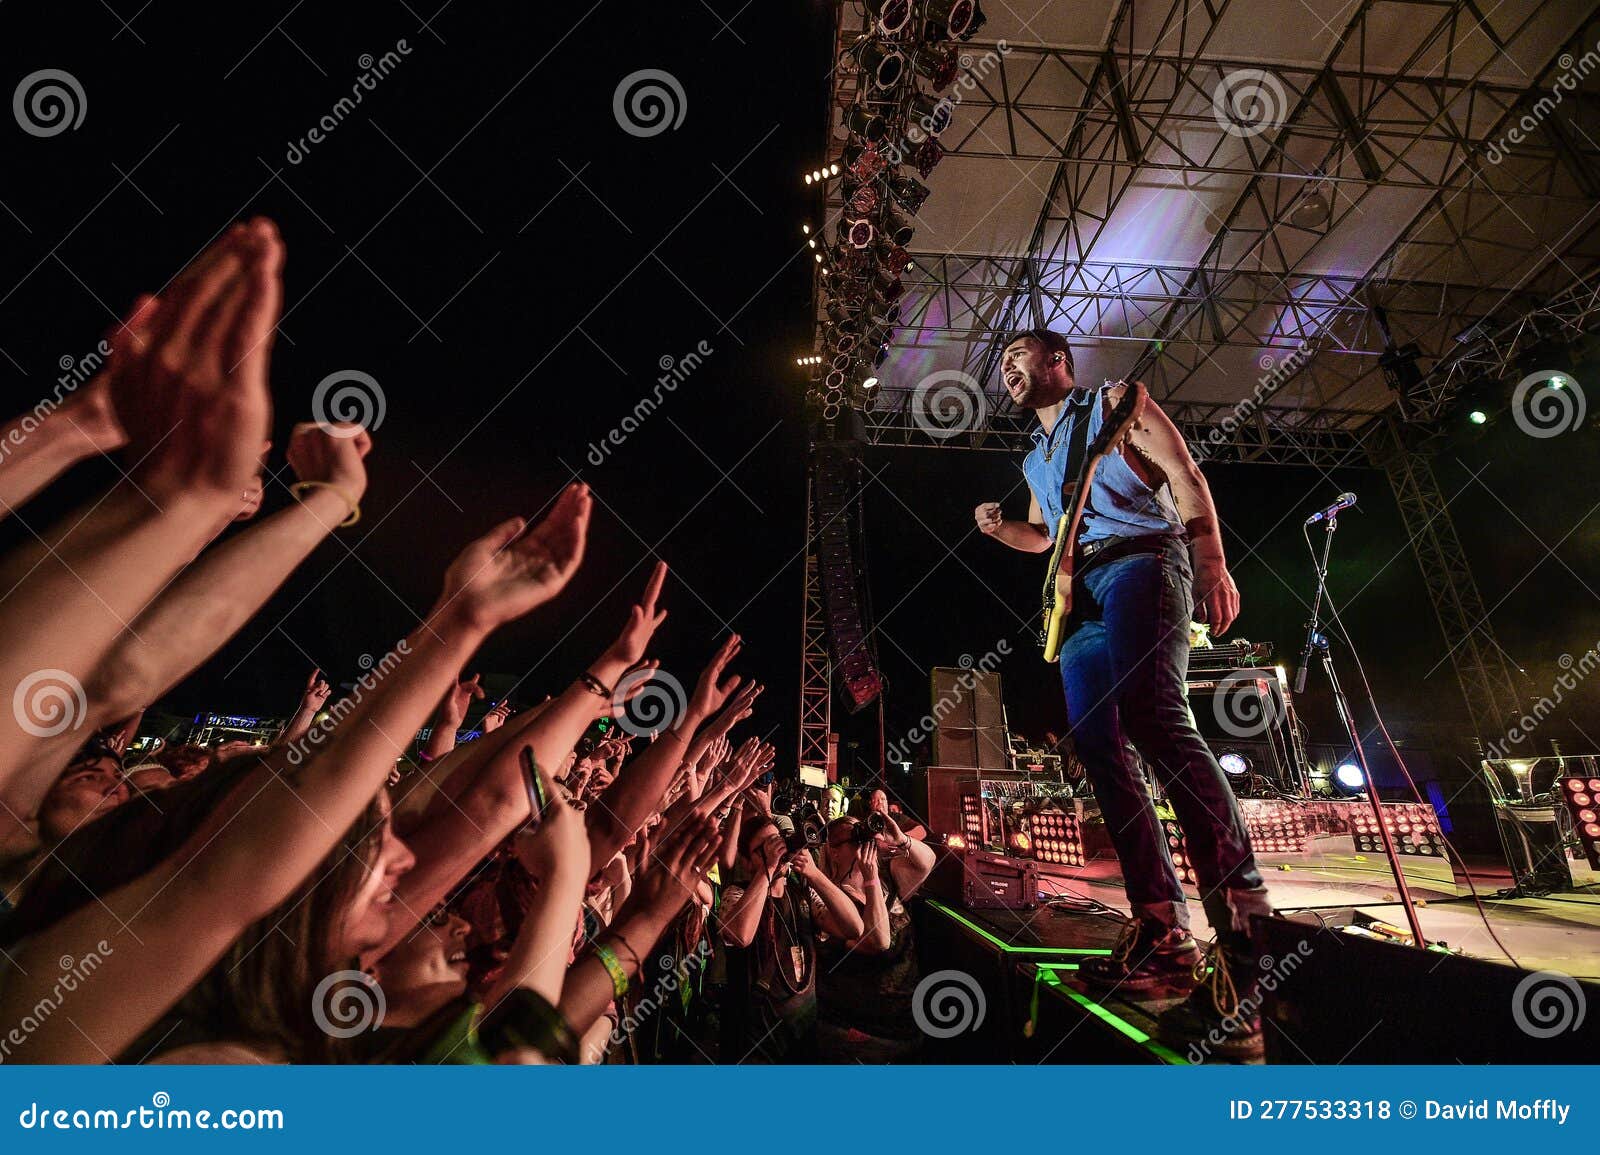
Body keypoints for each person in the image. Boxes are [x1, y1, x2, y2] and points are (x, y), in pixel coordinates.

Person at [974, 327, 1270, 1059]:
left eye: (1020, 356)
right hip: (1080, 600)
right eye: (1002, 364)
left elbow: (1183, 471)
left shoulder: (1113, 402)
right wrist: (999, 528)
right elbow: (1047, 536)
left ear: (1059, 362)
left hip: (1144, 561)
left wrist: (1210, 559)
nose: (1009, 369)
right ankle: (1163, 931)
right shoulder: (1035, 456)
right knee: (1100, 748)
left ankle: (1245, 931)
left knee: (1156, 717)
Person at [717, 803, 863, 1062]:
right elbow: (741, 935)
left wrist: (815, 874)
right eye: (765, 847)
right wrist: (767, 870)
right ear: (748, 862)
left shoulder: (803, 895)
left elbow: (855, 927)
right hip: (754, 1039)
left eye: (778, 841)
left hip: (801, 1035)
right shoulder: (736, 894)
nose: (777, 849)